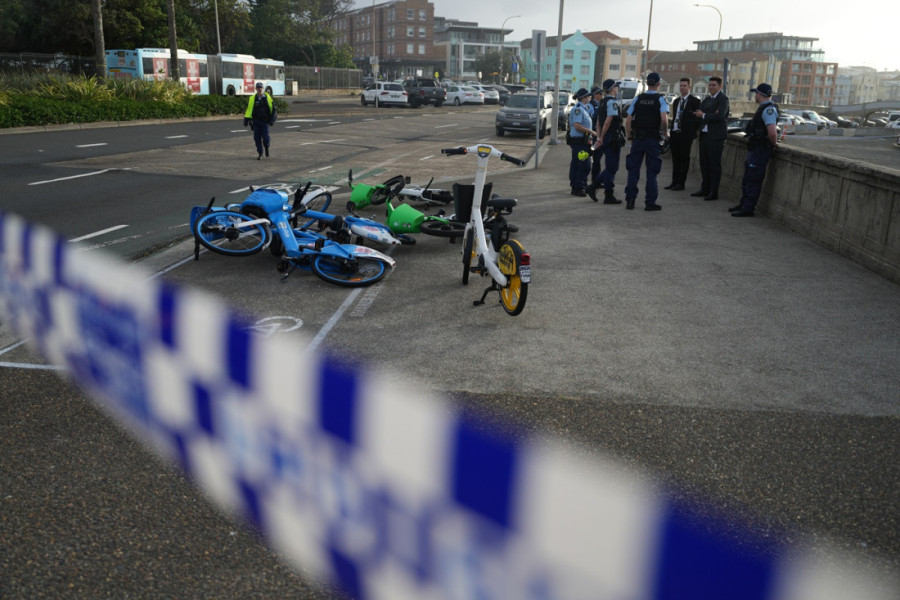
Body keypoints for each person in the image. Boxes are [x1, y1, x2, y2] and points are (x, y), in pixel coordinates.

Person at [730, 83, 779, 218]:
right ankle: (744, 204)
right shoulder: (762, 108)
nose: (755, 96)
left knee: (753, 180)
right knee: (747, 179)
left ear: (760, 94)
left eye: (756, 93)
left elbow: (772, 133)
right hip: (755, 148)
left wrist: (773, 145)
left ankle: (748, 208)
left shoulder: (768, 110)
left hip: (760, 150)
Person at [623, 72, 669, 211]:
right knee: (652, 172)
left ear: (647, 83)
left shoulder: (638, 99)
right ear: (658, 84)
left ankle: (630, 200)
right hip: (652, 139)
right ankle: (650, 203)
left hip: (638, 138)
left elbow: (628, 119)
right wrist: (665, 133)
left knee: (633, 170)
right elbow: (663, 119)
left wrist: (629, 135)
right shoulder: (660, 100)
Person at [690, 76, 729, 200]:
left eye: (714, 85)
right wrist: (705, 115)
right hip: (704, 135)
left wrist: (704, 115)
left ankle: (713, 192)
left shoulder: (723, 99)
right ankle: (704, 188)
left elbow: (720, 116)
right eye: (710, 85)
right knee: (704, 164)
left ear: (720, 86)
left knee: (714, 165)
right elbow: (699, 115)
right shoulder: (707, 100)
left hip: (716, 137)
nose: (711, 87)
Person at [586, 79, 624, 204]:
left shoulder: (602, 102)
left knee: (610, 166)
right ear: (612, 89)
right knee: (612, 167)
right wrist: (601, 137)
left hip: (606, 137)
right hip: (611, 137)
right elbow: (608, 121)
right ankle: (607, 194)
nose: (617, 89)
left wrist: (599, 137)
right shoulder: (612, 102)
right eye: (616, 87)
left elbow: (598, 121)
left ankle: (594, 186)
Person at [664, 77, 701, 191]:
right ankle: (674, 181)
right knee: (675, 159)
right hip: (675, 133)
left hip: (686, 134)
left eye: (685, 85)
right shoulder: (676, 101)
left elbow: (697, 119)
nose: (682, 88)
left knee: (684, 158)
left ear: (689, 87)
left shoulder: (695, 101)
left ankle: (681, 183)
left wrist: (691, 129)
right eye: (681, 85)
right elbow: (675, 117)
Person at [568, 88, 597, 197]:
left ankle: (578, 186)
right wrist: (591, 132)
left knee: (576, 164)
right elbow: (577, 126)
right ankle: (578, 187)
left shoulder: (583, 109)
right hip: (579, 142)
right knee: (585, 165)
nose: (590, 97)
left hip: (581, 142)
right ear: (583, 97)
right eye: (588, 96)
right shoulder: (579, 109)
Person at [244, 82, 275, 160]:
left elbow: (273, 110)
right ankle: (260, 153)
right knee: (257, 138)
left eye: (261, 87)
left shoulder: (267, 98)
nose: (259, 89)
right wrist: (246, 119)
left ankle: (267, 148)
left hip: (265, 122)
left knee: (266, 138)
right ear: (256, 89)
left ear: (263, 88)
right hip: (256, 122)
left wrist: (272, 120)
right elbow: (249, 109)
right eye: (258, 87)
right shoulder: (253, 99)